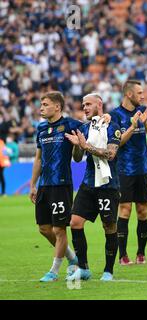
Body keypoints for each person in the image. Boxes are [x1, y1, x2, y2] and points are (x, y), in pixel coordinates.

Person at [65, 93, 121, 282]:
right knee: (75, 222)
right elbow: (78, 158)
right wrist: (77, 146)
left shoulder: (112, 127)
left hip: (107, 184)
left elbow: (110, 154)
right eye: (83, 105)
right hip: (88, 183)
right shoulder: (84, 128)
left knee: (109, 226)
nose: (85, 108)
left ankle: (108, 270)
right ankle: (84, 268)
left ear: (99, 104)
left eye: (88, 104)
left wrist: (86, 146)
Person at [29, 91, 80, 282]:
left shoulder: (70, 124)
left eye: (45, 104)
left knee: (59, 230)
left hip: (61, 184)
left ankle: (54, 271)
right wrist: (33, 185)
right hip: (44, 185)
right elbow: (38, 158)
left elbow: (80, 150)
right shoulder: (41, 128)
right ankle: (73, 258)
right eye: (41, 105)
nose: (41, 108)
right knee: (44, 228)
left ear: (57, 106)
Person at [110, 80, 147, 266]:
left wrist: (144, 124)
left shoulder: (145, 110)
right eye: (139, 93)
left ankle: (141, 253)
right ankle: (123, 255)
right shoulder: (115, 115)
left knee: (143, 211)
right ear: (129, 94)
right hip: (123, 169)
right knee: (125, 209)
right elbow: (117, 142)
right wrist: (133, 126)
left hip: (144, 168)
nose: (143, 96)